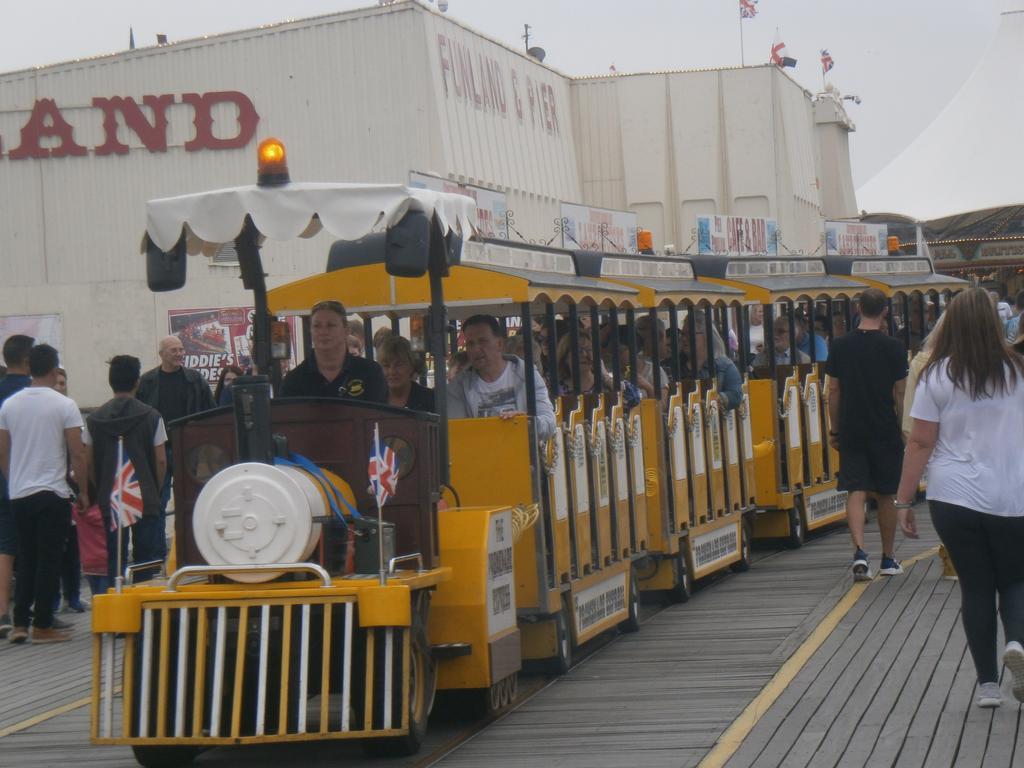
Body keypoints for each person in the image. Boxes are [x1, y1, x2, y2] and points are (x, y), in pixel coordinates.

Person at [895, 287, 1024, 708]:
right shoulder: (1018, 370)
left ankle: (987, 685)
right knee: (1015, 579)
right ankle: (1018, 645)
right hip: (1013, 493)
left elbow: (919, 443)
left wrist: (902, 501)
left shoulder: (936, 375)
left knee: (976, 585)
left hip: (953, 496)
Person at [0, 344, 89, 644]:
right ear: (54, 370)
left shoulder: (10, 405)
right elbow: (77, 452)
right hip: (52, 491)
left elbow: (3, 451)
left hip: (19, 492)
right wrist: (84, 491)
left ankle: (20, 622)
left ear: (28, 367)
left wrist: (14, 480)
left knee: (26, 557)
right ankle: (42, 624)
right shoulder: (64, 405)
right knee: (50, 559)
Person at [826, 287, 908, 582]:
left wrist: (835, 427)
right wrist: (899, 427)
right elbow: (899, 393)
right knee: (887, 493)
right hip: (885, 427)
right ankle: (888, 557)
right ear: (885, 311)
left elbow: (833, 390)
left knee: (856, 490)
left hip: (851, 426)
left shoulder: (840, 346)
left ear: (858, 308)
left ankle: (860, 553)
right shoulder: (894, 348)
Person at [86, 355, 168, 587]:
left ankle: (113, 605)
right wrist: (155, 488)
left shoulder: (94, 419)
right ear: (137, 382)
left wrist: (97, 487)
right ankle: (142, 610)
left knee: (113, 557)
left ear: (111, 382)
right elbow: (161, 460)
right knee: (146, 558)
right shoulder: (152, 416)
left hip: (109, 496)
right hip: (144, 494)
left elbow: (88, 461)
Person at [136, 334, 214, 570]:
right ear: (162, 354)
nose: (179, 354)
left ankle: (192, 551)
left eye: (181, 350)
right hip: (159, 450)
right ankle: (158, 556)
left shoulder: (195, 380)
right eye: (174, 350)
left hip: (190, 450)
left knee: (193, 501)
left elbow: (210, 411)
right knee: (158, 504)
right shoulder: (147, 381)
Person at [447, 314, 556, 440]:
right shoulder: (458, 387)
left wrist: (527, 424)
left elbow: (549, 422)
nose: (476, 349)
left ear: (499, 343)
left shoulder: (527, 374)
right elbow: (456, 432)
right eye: (470, 344)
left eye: (482, 341)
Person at [281, 300, 386, 401]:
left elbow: (380, 417)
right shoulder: (295, 380)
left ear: (346, 330)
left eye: (330, 325)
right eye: (317, 326)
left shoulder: (370, 373)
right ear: (311, 331)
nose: (323, 332)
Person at [0, 334, 33, 638]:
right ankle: (29, 607)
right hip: (27, 479)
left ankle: (3, 614)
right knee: (31, 546)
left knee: (5, 547)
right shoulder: (33, 393)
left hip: (4, 479)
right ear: (27, 360)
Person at [51, 367, 87, 613]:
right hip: (51, 487)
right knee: (53, 549)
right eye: (56, 383)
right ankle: (51, 599)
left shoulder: (71, 413)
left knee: (72, 549)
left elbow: (80, 450)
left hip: (69, 487)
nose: (60, 387)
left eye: (63, 383)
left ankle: (72, 596)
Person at [680, 312, 742, 410]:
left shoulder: (724, 366)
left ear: (707, 335)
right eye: (682, 334)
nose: (683, 338)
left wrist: (718, 399)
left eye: (689, 333)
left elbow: (736, 395)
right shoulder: (677, 366)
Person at [379, 335, 435, 411]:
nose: (392, 371)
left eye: (399, 365)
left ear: (412, 366)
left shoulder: (430, 400)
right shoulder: (374, 399)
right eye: (386, 365)